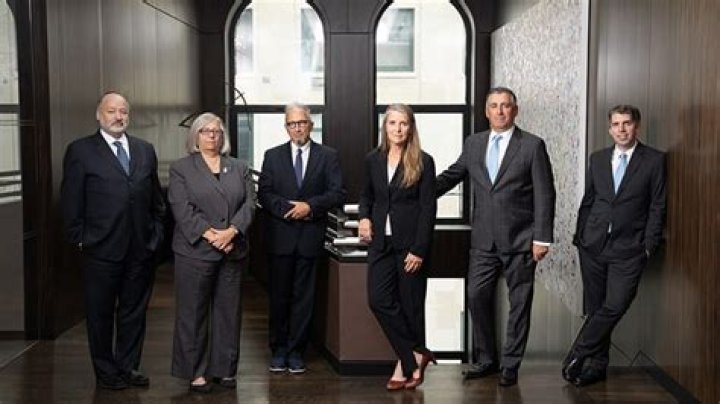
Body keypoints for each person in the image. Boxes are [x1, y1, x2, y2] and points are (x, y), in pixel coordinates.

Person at [436, 87, 556, 386]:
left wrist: (542, 238)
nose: (500, 111)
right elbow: (452, 175)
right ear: (486, 111)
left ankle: (510, 365)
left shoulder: (532, 145)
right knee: (476, 296)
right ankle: (487, 359)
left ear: (515, 110)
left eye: (505, 105)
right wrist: (415, 189)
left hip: (521, 240)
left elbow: (545, 194)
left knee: (519, 304)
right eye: (494, 106)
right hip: (483, 241)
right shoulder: (474, 143)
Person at [61, 91, 166, 390]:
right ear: (99, 115)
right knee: (100, 315)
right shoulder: (80, 151)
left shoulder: (145, 150)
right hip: (99, 251)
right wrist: (81, 240)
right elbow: (70, 201)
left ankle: (128, 367)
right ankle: (106, 372)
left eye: (123, 111)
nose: (118, 117)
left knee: (134, 313)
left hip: (140, 250)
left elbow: (156, 201)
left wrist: (155, 236)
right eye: (112, 111)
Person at [563, 105, 666, 387]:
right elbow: (589, 199)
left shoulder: (654, 160)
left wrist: (648, 245)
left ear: (637, 126)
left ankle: (578, 352)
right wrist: (580, 237)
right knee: (597, 308)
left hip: (630, 248)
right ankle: (596, 367)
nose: (621, 129)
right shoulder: (597, 159)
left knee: (616, 304)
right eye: (616, 124)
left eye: (627, 123)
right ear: (609, 129)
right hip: (593, 245)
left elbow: (657, 205)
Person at [168, 113, 255, 393]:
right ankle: (195, 372)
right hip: (195, 251)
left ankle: (224, 369)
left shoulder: (239, 167)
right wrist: (213, 236)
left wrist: (232, 232)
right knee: (192, 313)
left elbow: (249, 205)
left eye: (217, 131)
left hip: (232, 249)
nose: (212, 136)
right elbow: (181, 208)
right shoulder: (181, 168)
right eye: (205, 131)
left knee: (229, 311)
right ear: (196, 136)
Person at [258, 102, 346, 374]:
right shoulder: (272, 156)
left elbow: (338, 192)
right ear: (286, 127)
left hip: (310, 237)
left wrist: (309, 207)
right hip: (280, 237)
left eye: (302, 123)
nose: (297, 128)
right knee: (279, 297)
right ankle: (279, 349)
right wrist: (288, 210)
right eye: (292, 124)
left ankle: (297, 351)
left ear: (311, 125)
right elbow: (264, 194)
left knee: (304, 299)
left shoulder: (328, 156)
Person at [358, 104, 437, 390]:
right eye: (392, 123)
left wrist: (419, 249)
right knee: (377, 299)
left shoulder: (424, 161)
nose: (398, 129)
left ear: (411, 127)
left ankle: (405, 364)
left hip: (410, 245)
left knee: (411, 306)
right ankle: (414, 354)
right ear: (385, 126)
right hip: (380, 243)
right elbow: (366, 196)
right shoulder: (373, 159)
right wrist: (364, 217)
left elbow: (428, 209)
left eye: (403, 123)